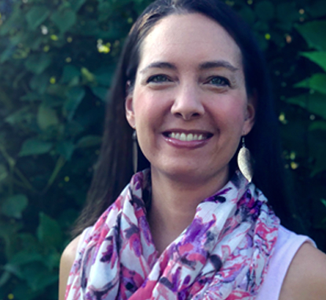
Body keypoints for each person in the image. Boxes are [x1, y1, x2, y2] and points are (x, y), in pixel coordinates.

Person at [59, 0, 326, 299]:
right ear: (131, 106)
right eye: (160, 78)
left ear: (249, 113)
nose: (186, 105)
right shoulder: (79, 262)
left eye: (216, 80)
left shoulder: (308, 278)